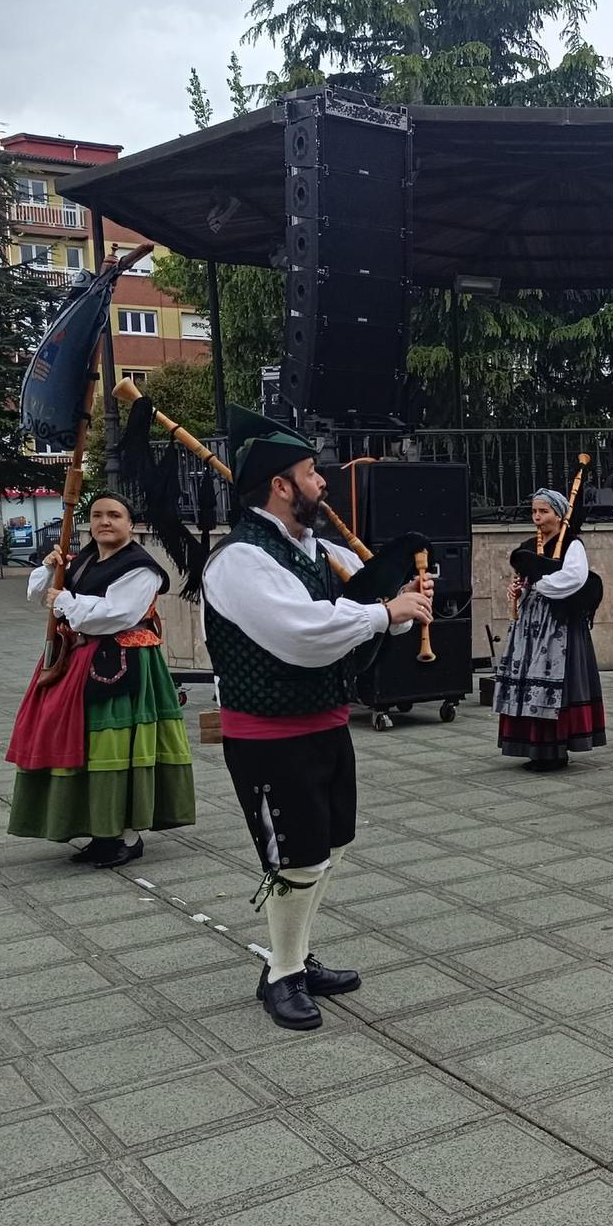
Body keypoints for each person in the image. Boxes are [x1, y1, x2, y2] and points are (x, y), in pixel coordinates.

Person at [200, 408, 433, 1030]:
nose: (322, 482)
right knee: (296, 858)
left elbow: (359, 595)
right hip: (268, 736)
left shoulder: (311, 547)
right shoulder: (241, 561)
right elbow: (302, 635)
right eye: (311, 472)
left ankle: (296, 955)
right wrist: (387, 614)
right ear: (281, 485)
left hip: (323, 721)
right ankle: (281, 973)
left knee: (328, 848)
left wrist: (406, 588)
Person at [5, 492, 196, 869]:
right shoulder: (85, 560)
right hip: (77, 660)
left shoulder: (141, 568)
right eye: (97, 515)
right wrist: (48, 568)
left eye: (114, 515)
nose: (104, 522)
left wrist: (67, 603)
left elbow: (117, 614)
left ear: (131, 524)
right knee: (86, 746)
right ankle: (99, 828)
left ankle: (125, 834)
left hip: (123, 666)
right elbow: (38, 595)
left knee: (115, 747)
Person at [494, 487, 605, 771]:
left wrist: (539, 583)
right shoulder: (530, 545)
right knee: (527, 680)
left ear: (559, 514)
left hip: (559, 624)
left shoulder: (571, 544)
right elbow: (522, 578)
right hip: (530, 623)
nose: (537, 518)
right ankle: (534, 748)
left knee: (555, 682)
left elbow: (574, 579)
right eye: (534, 512)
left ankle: (556, 750)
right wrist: (518, 589)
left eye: (543, 512)